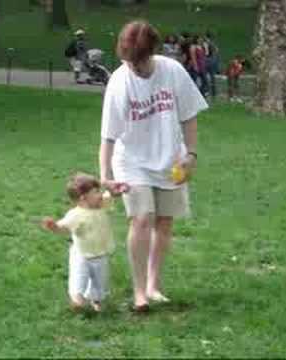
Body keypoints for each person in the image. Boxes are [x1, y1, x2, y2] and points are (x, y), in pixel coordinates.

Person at [99, 20, 208, 312]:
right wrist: (105, 177)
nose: (133, 67)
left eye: (138, 60)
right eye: (128, 61)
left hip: (171, 159)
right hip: (132, 161)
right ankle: (139, 293)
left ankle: (153, 285)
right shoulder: (120, 82)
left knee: (164, 222)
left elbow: (189, 117)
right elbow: (108, 137)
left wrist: (192, 155)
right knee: (142, 218)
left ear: (152, 52)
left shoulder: (172, 71)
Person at [41, 172, 126, 312]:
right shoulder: (75, 215)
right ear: (83, 198)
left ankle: (97, 301)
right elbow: (64, 227)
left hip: (100, 253)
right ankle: (77, 301)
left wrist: (119, 191)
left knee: (100, 282)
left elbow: (110, 196)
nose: (100, 194)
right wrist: (54, 226)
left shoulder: (101, 205)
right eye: (96, 192)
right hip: (82, 255)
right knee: (79, 277)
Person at [203, 31, 220, 99]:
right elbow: (216, 51)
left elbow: (213, 51)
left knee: (206, 77)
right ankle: (212, 93)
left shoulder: (206, 43)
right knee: (212, 77)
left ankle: (208, 92)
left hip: (207, 60)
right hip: (211, 60)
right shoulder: (212, 44)